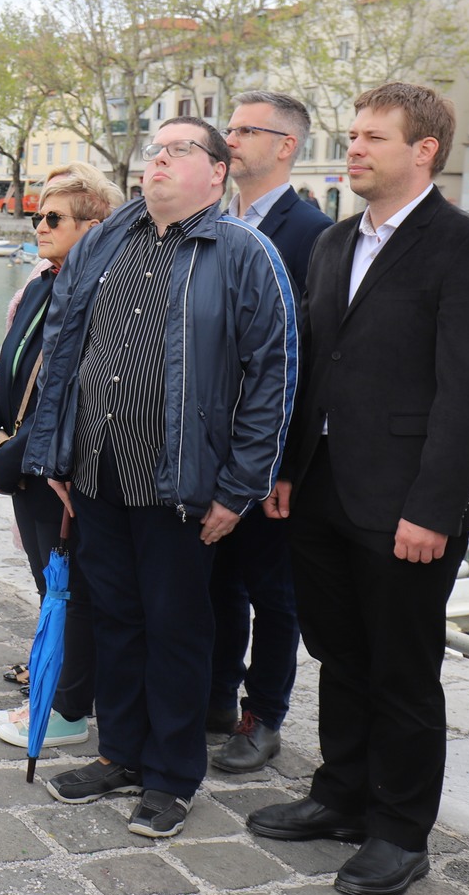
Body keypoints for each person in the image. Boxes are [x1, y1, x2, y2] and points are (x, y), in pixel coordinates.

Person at [247, 83, 469, 895]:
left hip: (409, 503)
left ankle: (400, 831)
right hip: (325, 490)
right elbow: (315, 367)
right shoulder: (333, 244)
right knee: (338, 652)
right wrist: (289, 468)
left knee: (402, 669)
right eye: (353, 135)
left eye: (372, 137)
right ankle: (341, 794)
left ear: (424, 149)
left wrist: (434, 509)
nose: (354, 148)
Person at [19, 116, 295, 840]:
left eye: (179, 151)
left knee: (177, 629)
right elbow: (62, 344)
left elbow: (274, 377)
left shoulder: (246, 254)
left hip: (180, 482)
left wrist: (240, 487)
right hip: (99, 472)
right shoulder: (107, 240)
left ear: (216, 171)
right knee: (114, 619)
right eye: (155, 151)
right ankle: (120, 753)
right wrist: (55, 454)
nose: (160, 161)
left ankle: (171, 777)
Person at [0, 161, 124, 749]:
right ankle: (54, 692)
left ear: (94, 225)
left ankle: (68, 709)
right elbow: (5, 374)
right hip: (25, 467)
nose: (39, 225)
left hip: (61, 471)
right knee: (49, 588)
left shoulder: (100, 295)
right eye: (37, 214)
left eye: (53, 217)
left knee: (71, 593)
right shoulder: (40, 285)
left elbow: (73, 395)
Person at [207, 91, 335, 773]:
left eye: (246, 131)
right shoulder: (216, 222)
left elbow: (308, 358)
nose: (230, 140)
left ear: (285, 145)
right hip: (209, 447)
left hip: (271, 453)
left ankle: (266, 713)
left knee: (272, 591)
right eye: (227, 129)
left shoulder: (312, 233)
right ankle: (218, 695)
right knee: (218, 579)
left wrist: (285, 464)